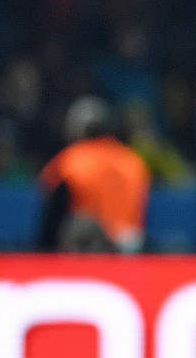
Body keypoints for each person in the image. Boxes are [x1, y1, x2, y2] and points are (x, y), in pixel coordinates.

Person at [37, 95, 151, 253]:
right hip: (130, 249)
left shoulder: (70, 161)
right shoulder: (132, 160)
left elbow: (52, 217)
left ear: (77, 129)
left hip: (88, 251)